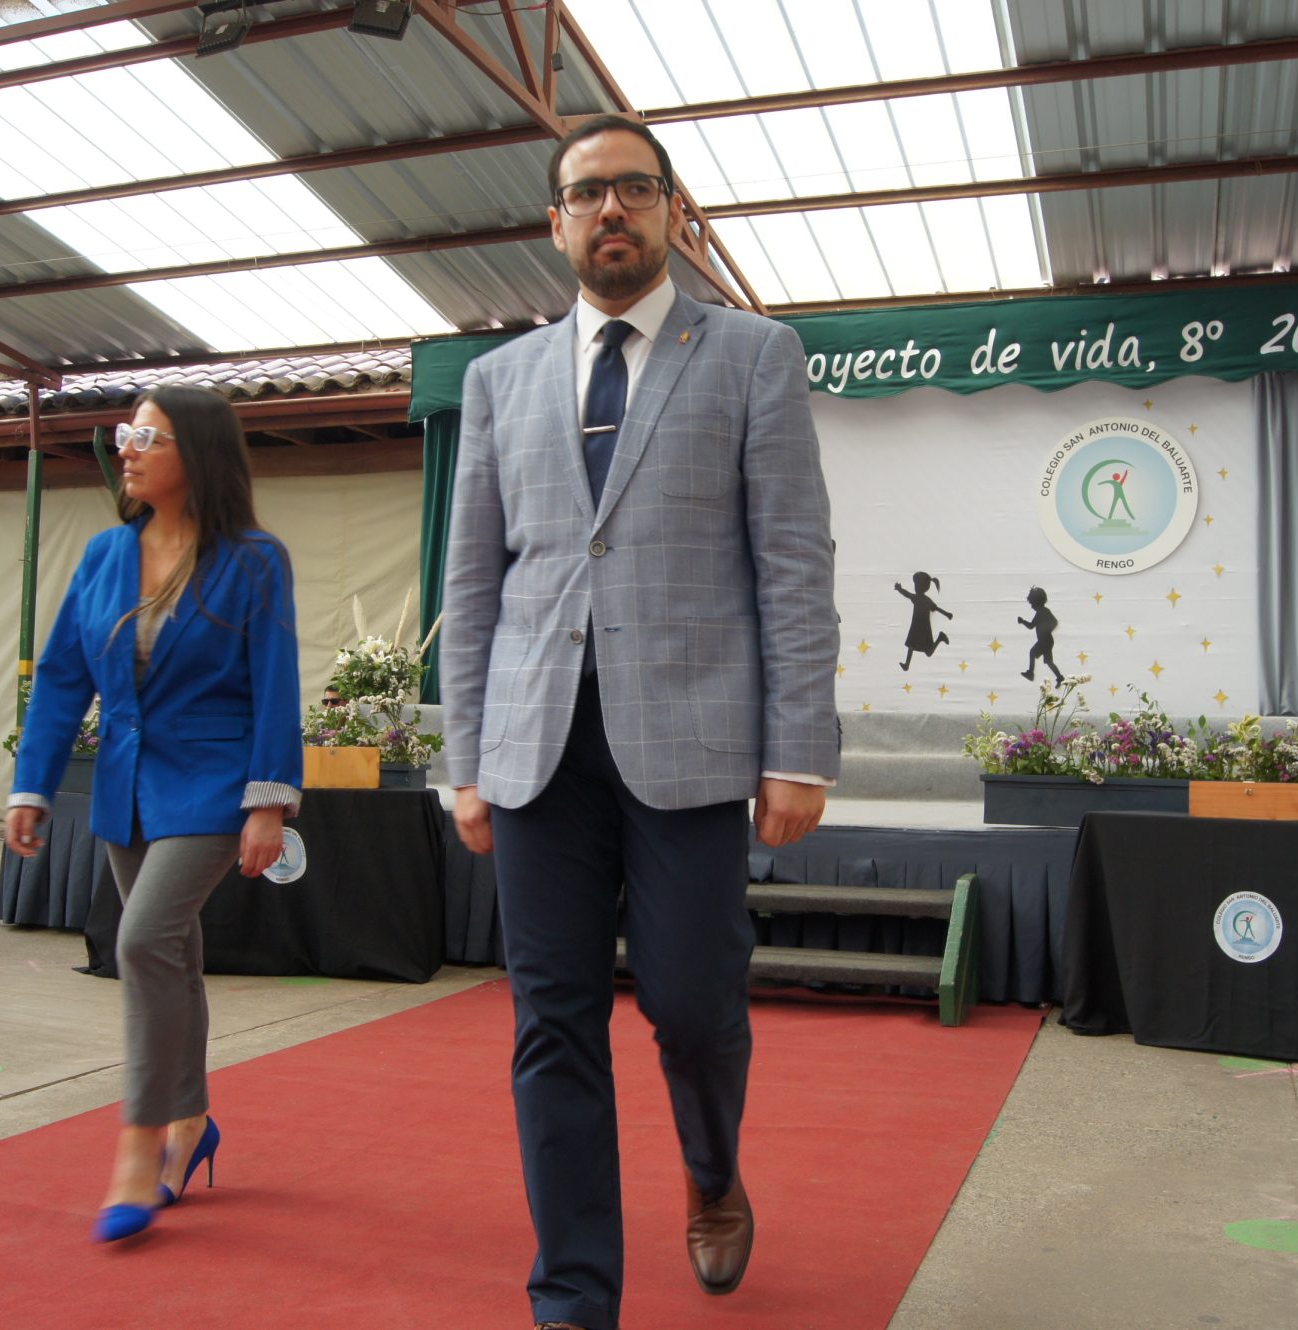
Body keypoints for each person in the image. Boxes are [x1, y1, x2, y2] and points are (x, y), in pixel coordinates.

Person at [441, 114, 839, 1330]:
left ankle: (710, 1168)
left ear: (672, 211)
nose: (608, 209)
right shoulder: (498, 380)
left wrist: (797, 747)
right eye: (585, 194)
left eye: (632, 188)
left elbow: (791, 561)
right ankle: (571, 1297)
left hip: (693, 745)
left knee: (693, 1006)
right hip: (534, 750)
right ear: (555, 223)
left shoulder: (753, 355)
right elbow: (471, 582)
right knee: (549, 1021)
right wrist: (463, 758)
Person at [4, 385, 303, 1243]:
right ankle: (190, 1123)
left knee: (140, 943)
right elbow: (63, 675)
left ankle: (138, 1145)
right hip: (126, 787)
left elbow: (275, 680)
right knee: (174, 956)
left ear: (197, 455)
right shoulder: (105, 554)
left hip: (214, 784)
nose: (126, 450)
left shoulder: (254, 559)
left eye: (147, 437)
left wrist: (270, 802)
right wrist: (31, 784)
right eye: (124, 435)